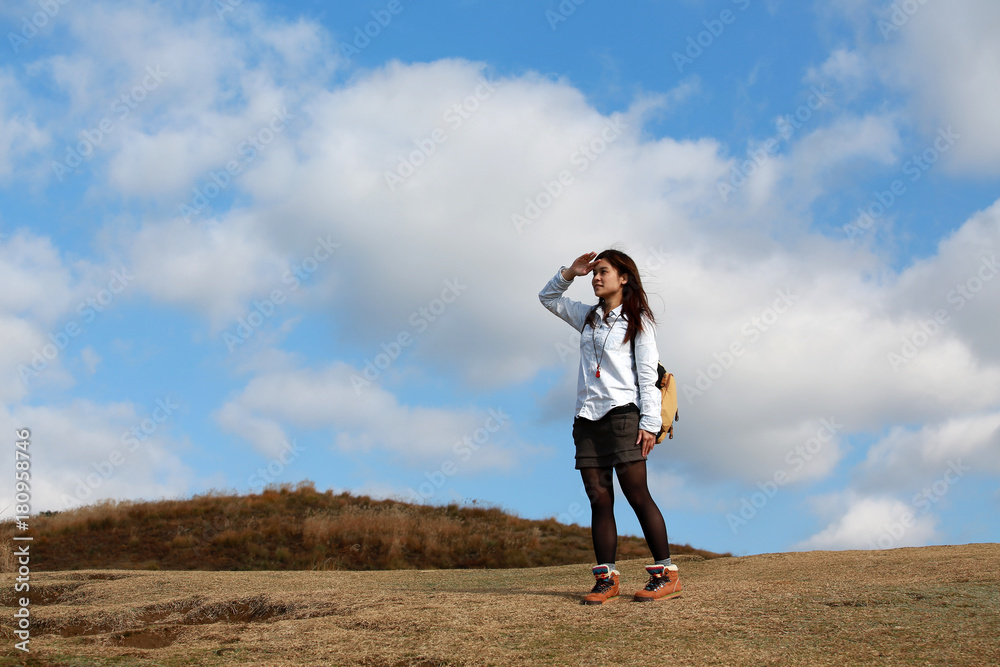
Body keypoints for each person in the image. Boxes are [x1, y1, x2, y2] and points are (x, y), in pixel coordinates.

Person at [538, 249, 681, 604]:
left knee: (637, 495)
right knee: (599, 499)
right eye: (594, 274)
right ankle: (607, 580)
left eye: (603, 272)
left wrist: (650, 424)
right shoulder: (588, 317)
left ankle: (666, 574)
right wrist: (570, 272)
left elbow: (647, 376)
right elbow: (548, 298)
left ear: (624, 278)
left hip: (624, 417)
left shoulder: (638, 321)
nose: (596, 278)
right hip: (587, 420)